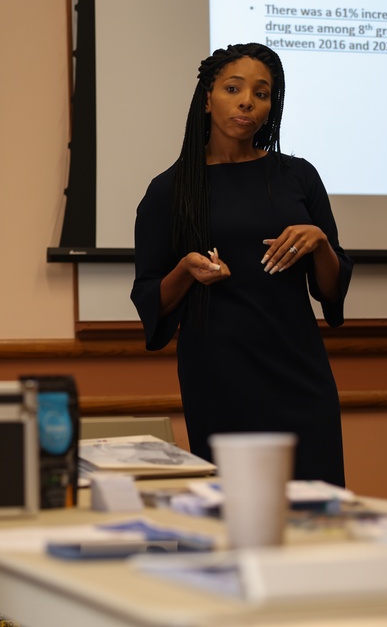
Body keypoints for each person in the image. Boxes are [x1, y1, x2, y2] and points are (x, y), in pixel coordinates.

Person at [130, 42, 352, 487]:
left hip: (298, 370)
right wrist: (186, 271)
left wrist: (320, 243)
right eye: (234, 88)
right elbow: (150, 294)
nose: (248, 100)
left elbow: (331, 291)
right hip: (218, 373)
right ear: (208, 98)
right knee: (233, 511)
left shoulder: (298, 176)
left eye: (262, 93)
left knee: (317, 513)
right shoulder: (170, 190)